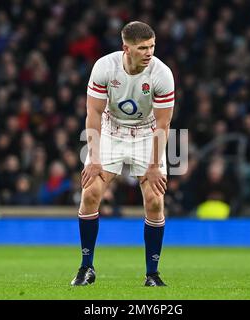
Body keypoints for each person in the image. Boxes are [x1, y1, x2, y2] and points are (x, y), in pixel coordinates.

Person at [71, 21, 174, 287]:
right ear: (125, 48)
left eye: (151, 46)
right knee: (90, 192)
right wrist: (94, 158)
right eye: (142, 48)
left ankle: (152, 274)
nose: (149, 52)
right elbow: (93, 113)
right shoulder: (105, 67)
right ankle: (86, 268)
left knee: (154, 200)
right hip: (111, 130)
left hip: (146, 132)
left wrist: (153, 166)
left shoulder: (161, 74)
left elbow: (163, 124)